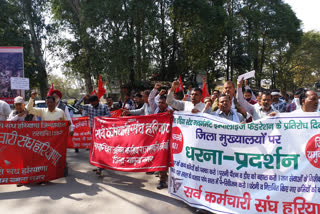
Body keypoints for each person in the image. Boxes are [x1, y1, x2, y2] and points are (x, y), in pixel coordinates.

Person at [75, 95, 111, 176]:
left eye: (93, 102)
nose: (92, 104)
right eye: (90, 102)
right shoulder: (89, 107)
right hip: (93, 130)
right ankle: (99, 165)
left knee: (102, 147)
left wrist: (99, 118)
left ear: (97, 101)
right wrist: (82, 98)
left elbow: (109, 115)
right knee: (95, 147)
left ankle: (101, 166)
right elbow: (76, 105)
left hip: (102, 130)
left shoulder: (104, 106)